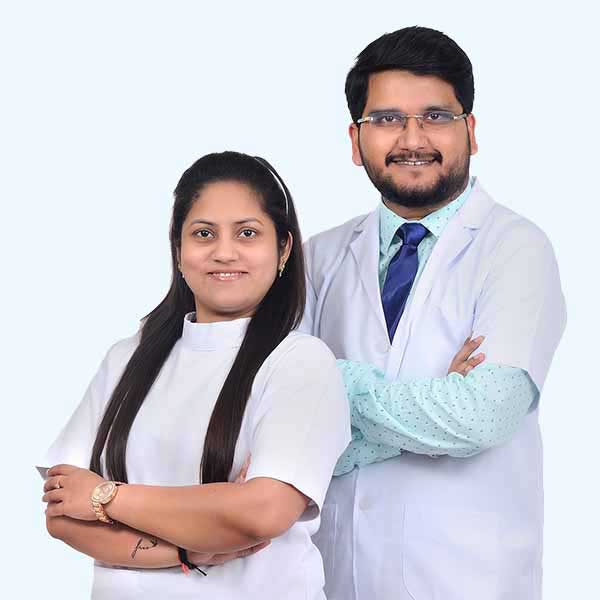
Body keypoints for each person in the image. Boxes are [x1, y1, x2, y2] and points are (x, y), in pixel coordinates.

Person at [301, 27, 567, 600]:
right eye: (387, 119)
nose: (413, 138)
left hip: (466, 581)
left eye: (436, 116)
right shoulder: (316, 258)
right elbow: (281, 427)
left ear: (471, 130)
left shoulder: (515, 248)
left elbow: (483, 416)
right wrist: (432, 406)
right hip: (333, 579)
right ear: (355, 140)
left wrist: (326, 381)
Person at [39, 151, 352, 600]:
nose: (224, 252)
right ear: (179, 250)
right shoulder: (126, 358)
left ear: (283, 249)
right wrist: (187, 549)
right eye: (204, 233)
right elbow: (62, 512)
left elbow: (263, 512)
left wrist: (105, 497)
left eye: (247, 233)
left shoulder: (299, 361)